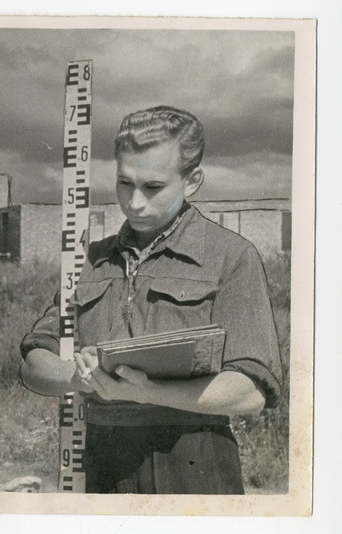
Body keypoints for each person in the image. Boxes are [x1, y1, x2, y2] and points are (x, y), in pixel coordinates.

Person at [19, 105, 282, 494]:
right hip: (101, 461)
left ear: (192, 181)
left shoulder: (231, 256)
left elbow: (251, 391)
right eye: (125, 183)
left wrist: (149, 393)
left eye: (153, 187)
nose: (134, 202)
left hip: (193, 461)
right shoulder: (90, 260)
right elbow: (33, 364)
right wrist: (77, 377)